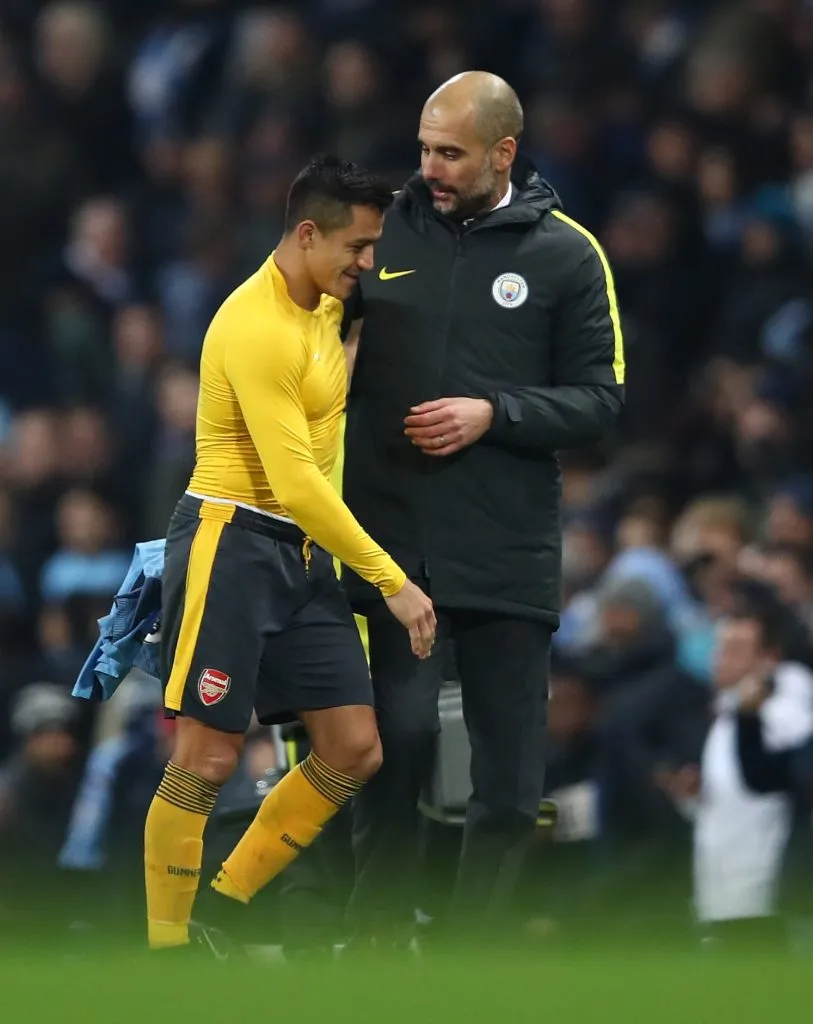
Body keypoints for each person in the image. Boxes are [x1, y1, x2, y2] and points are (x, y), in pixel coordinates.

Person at [341, 72, 625, 941]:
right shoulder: (379, 229)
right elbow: (299, 321)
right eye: (424, 148)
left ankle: (475, 961)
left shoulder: (567, 254)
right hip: (395, 547)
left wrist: (494, 413)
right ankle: (379, 944)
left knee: (507, 780)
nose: (428, 165)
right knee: (397, 743)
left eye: (450, 153)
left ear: (503, 152)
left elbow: (601, 400)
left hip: (505, 547)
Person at [143, 154, 436, 953]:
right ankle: (163, 953)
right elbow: (296, 482)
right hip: (231, 542)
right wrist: (391, 582)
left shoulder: (323, 307)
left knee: (354, 749)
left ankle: (224, 908)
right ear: (307, 235)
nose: (366, 264)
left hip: (302, 560)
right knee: (204, 759)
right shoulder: (255, 325)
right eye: (357, 248)